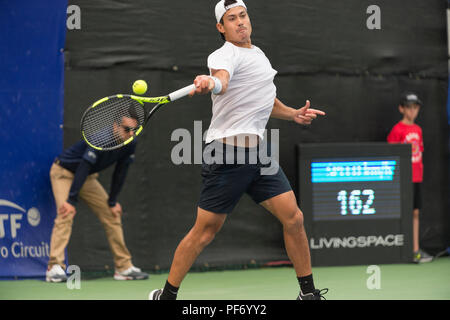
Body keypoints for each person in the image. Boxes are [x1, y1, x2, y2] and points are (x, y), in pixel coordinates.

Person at [149, 0, 326, 300]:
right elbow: (223, 81)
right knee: (204, 232)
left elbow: (263, 100)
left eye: (243, 15)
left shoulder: (258, 55)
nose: (240, 22)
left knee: (294, 219)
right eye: (232, 19)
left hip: (260, 157)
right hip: (227, 155)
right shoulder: (223, 54)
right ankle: (166, 297)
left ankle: (308, 295)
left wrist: (293, 114)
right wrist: (212, 83)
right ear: (221, 27)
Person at [45, 111, 149, 282]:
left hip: (86, 178)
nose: (131, 133)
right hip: (63, 173)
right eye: (126, 129)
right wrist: (71, 201)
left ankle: (123, 268)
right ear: (115, 126)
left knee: (112, 213)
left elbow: (121, 171)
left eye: (134, 130)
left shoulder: (130, 142)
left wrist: (112, 201)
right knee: (66, 213)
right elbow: (84, 167)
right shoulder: (100, 139)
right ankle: (54, 267)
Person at [387, 92, 433, 263]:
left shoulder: (418, 130)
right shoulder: (397, 130)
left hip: (416, 178)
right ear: (402, 109)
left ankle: (415, 251)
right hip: (402, 179)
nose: (412, 111)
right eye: (409, 107)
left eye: (415, 108)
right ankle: (398, 250)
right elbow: (393, 156)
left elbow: (418, 153)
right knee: (401, 213)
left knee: (415, 213)